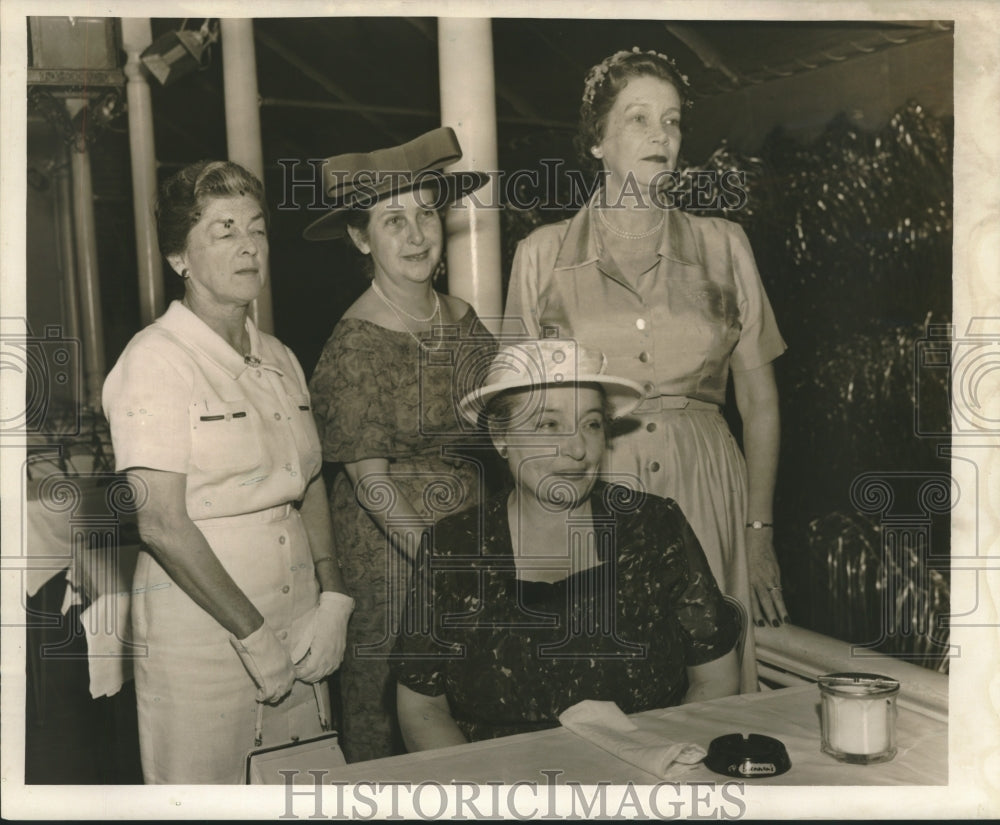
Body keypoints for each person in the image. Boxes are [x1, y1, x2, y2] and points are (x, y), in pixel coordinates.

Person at [502, 47, 788, 692]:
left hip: (708, 482)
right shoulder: (540, 255)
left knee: (714, 688)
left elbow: (760, 401)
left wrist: (759, 530)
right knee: (606, 678)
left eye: (673, 121)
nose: (661, 136)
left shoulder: (724, 244)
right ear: (597, 142)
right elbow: (519, 412)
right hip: (595, 482)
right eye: (638, 120)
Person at [102, 160, 354, 784]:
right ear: (178, 258)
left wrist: (333, 596)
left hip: (298, 621)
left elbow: (311, 479)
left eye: (257, 229)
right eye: (223, 230)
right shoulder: (155, 360)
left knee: (298, 788)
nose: (248, 246)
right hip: (205, 640)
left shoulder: (279, 356)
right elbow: (159, 521)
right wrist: (253, 636)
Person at [394, 339, 740, 750]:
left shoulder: (654, 527)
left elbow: (715, 680)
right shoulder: (454, 546)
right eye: (548, 425)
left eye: (592, 424)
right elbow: (422, 709)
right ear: (500, 437)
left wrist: (656, 770)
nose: (578, 449)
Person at [304, 127, 496, 762]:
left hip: (466, 534)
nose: (416, 235)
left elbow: (503, 429)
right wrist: (444, 562)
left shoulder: (465, 319)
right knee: (394, 727)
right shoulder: (355, 342)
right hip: (393, 558)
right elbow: (373, 484)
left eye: (425, 213)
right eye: (393, 221)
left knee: (472, 719)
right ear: (361, 238)